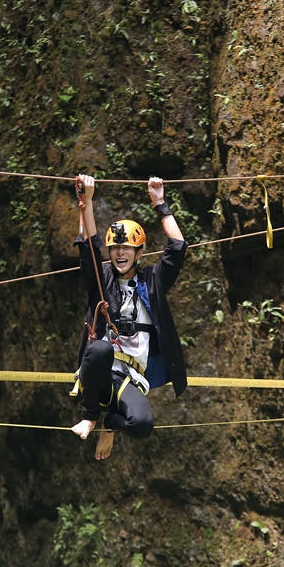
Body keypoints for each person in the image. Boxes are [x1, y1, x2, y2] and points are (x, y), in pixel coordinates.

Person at [69, 174, 188, 460]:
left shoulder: (152, 281)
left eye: (127, 249)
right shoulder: (102, 279)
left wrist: (160, 203)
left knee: (142, 425)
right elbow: (87, 246)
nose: (120, 253)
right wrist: (86, 201)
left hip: (129, 378)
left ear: (139, 252)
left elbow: (178, 247)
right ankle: (90, 416)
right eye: (115, 248)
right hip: (100, 370)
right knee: (99, 347)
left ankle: (111, 422)